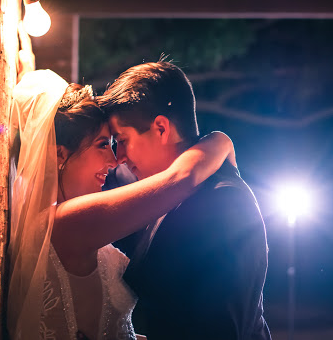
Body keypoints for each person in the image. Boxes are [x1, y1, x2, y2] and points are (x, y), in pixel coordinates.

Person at [7, 26, 236, 340]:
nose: (115, 162)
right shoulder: (63, 224)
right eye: (103, 145)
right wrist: (220, 142)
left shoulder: (66, 226)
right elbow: (179, 179)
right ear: (60, 155)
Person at [99, 61, 272, 340]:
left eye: (122, 140)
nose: (119, 158)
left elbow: (222, 328)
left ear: (161, 129)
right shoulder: (169, 188)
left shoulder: (223, 202)